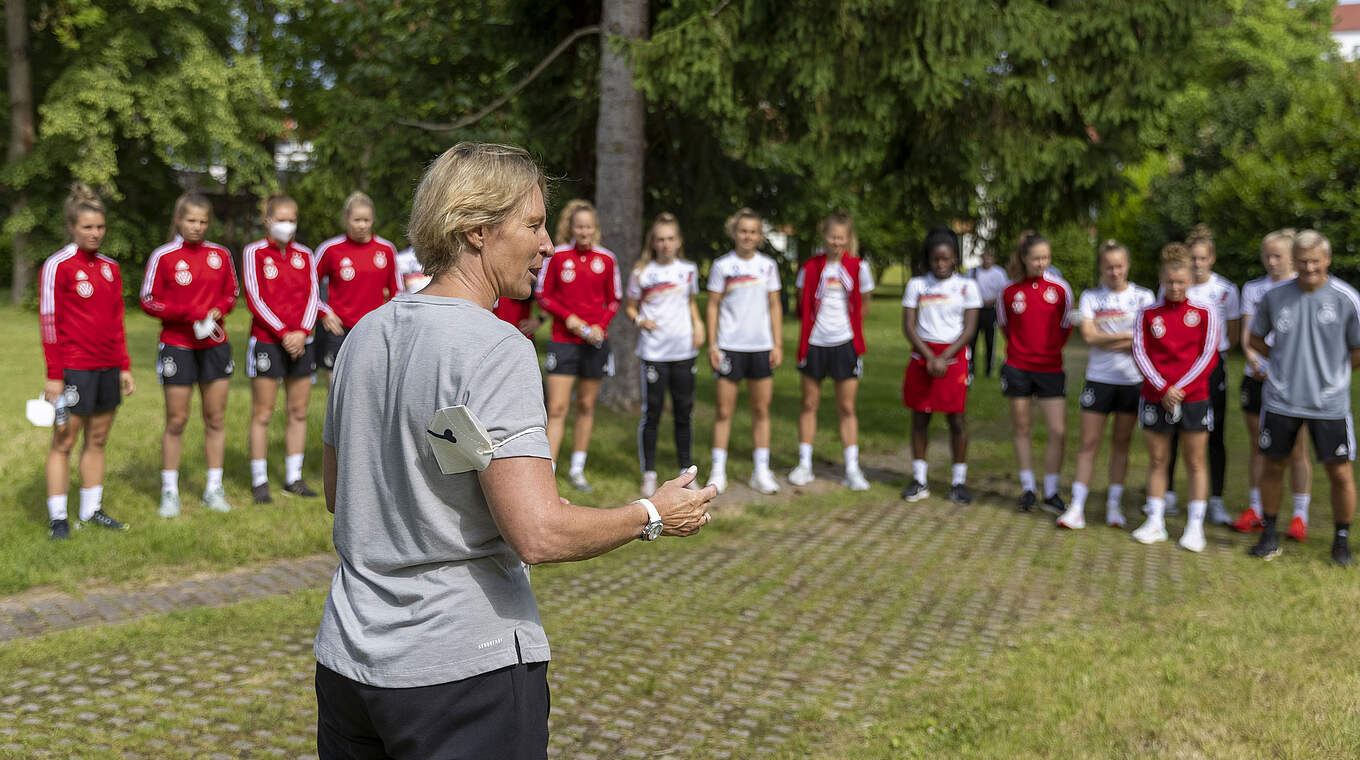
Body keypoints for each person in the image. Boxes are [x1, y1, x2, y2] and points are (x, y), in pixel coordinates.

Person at [314, 142, 716, 758]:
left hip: (349, 665)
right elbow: (538, 533)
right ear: (476, 231)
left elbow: (337, 494)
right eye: (532, 224)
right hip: (462, 673)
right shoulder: (496, 348)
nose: (549, 243)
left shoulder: (364, 335)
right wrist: (653, 515)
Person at [1246, 231, 1360, 566]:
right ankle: (1269, 535)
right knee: (1274, 465)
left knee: (1340, 473)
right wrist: (1282, 363)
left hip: (1330, 404)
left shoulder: (1346, 298)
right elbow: (1255, 338)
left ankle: (1340, 541)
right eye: (1302, 261)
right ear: (1293, 261)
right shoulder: (1275, 296)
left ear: (1327, 260)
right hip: (1282, 399)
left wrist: (1333, 372)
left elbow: (1358, 349)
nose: (1309, 268)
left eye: (1315, 261)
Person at [38, 184, 134, 539]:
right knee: (64, 440)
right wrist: (53, 375)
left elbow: (117, 319)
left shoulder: (110, 268)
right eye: (87, 227)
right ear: (72, 228)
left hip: (108, 366)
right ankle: (58, 518)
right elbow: (49, 322)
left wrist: (124, 365)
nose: (95, 234)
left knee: (98, 438)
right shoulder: (57, 266)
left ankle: (91, 510)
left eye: (100, 227)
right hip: (73, 368)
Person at [139, 191, 239, 518]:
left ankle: (214, 487)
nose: (197, 227)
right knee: (177, 419)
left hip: (214, 344)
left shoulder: (220, 254)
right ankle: (170, 491)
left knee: (215, 417)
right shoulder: (164, 256)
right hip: (177, 345)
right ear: (179, 220)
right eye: (191, 220)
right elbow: (148, 299)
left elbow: (232, 293)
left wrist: (216, 309)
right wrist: (187, 312)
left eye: (203, 221)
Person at [1130, 243, 1220, 552]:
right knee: (1157, 459)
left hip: (1194, 397)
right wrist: (1163, 388)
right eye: (1170, 281)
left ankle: (1195, 526)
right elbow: (1140, 353)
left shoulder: (1205, 312)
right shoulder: (1146, 313)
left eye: (1181, 282)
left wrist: (1178, 388)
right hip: (1156, 396)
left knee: (1195, 461)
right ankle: (1155, 521)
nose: (1176, 287)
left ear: (1190, 281)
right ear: (1161, 278)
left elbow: (1208, 356)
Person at [1059, 241, 1154, 529]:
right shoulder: (1090, 297)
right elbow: (1088, 336)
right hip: (1099, 380)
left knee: (1121, 444)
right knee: (1088, 444)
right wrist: (1126, 337)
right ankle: (1076, 507)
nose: (1114, 272)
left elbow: (1144, 338)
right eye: (1109, 266)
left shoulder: (1143, 296)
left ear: (1127, 266)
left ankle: (1114, 505)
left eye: (1119, 266)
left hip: (1131, 381)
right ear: (1101, 267)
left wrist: (1110, 337)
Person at [535, 199, 621, 493]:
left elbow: (615, 298)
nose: (584, 231)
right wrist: (567, 317)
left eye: (588, 227)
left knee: (585, 406)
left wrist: (602, 325)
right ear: (571, 228)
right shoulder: (557, 256)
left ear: (594, 229)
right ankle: (549, 470)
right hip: (564, 341)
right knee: (557, 407)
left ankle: (577, 469)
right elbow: (543, 295)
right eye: (579, 226)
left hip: (595, 342)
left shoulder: (607, 259)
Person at [789, 212, 875, 492]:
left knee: (847, 407)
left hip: (845, 344)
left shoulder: (859, 267)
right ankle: (804, 464)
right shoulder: (810, 267)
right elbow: (802, 305)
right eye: (832, 236)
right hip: (814, 344)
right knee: (809, 404)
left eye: (842, 237)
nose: (836, 242)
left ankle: (852, 468)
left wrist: (850, 332)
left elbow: (864, 303)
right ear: (823, 236)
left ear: (848, 238)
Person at [242, 194, 320, 503]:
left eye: (292, 219)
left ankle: (294, 477)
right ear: (268, 220)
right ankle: (260, 481)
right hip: (267, 341)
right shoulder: (254, 252)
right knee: (263, 412)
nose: (287, 225)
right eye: (281, 219)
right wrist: (284, 332)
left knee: (298, 411)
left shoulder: (305, 254)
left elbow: (314, 295)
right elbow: (254, 297)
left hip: (303, 341)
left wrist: (301, 332)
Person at [1235, 229, 1312, 539]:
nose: (1271, 262)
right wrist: (1257, 362)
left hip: (1294, 380)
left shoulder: (1304, 289)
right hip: (1257, 375)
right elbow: (1248, 334)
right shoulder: (1254, 289)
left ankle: (1300, 515)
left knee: (1296, 448)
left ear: (1292, 257)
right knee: (1258, 445)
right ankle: (1255, 507)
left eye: (1277, 256)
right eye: (1266, 256)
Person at [1164, 225, 1240, 524]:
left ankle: (1216, 499)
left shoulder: (1226, 291)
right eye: (1191, 258)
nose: (1196, 264)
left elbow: (1232, 337)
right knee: (1170, 430)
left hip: (1211, 370)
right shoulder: (1175, 285)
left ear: (1212, 258)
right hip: (1176, 368)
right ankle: (1168, 494)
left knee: (1214, 434)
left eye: (1202, 258)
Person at [624, 213, 703, 497]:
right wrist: (639, 321)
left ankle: (686, 471)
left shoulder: (688, 270)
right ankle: (650, 473)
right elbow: (630, 307)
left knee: (684, 412)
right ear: (653, 243)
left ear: (678, 241)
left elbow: (691, 303)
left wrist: (699, 324)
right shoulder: (642, 272)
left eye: (671, 239)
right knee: (653, 413)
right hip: (654, 352)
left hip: (683, 351)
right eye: (660, 239)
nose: (666, 244)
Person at [706, 208, 784, 494]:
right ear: (734, 233)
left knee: (761, 409)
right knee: (724, 410)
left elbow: (775, 305)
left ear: (759, 236)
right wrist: (713, 345)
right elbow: (712, 305)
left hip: (761, 348)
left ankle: (761, 471)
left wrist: (777, 344)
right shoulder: (722, 266)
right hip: (729, 347)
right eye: (743, 231)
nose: (747, 236)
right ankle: (718, 471)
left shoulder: (768, 266)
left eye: (753, 232)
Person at [899, 227, 979, 504]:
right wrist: (929, 356)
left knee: (956, 419)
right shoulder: (917, 285)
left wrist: (944, 358)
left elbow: (969, 328)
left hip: (953, 358)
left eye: (946, 259)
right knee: (920, 417)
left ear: (955, 258)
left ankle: (958, 482)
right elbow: (909, 326)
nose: (941, 265)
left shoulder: (967, 287)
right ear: (928, 260)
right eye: (936, 260)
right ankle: (920, 478)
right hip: (923, 356)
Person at [997, 231, 1074, 513]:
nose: (1042, 264)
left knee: (1058, 429)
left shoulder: (1061, 289)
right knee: (1022, 427)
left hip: (1051, 368)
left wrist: (1048, 350)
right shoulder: (1008, 291)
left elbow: (1066, 326)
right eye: (1036, 259)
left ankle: (1052, 490)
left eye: (1046, 258)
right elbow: (1005, 326)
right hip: (1017, 367)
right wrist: (1022, 350)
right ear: (1024, 259)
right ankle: (1028, 488)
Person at [313, 192, 400, 382]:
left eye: (367, 220)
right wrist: (324, 312)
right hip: (339, 328)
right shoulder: (330, 249)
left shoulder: (386, 250)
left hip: (375, 328)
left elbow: (397, 291)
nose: (362, 225)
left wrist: (391, 321)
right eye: (357, 220)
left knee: (372, 384)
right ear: (345, 219)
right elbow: (308, 285)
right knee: (337, 385)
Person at [967, 246, 1007, 378]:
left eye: (990, 257)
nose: (987, 260)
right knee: (972, 340)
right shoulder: (972, 272)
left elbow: (1003, 292)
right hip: (975, 310)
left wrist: (992, 300)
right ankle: (970, 367)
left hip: (990, 310)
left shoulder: (999, 273)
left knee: (990, 341)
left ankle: (988, 369)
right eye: (985, 257)